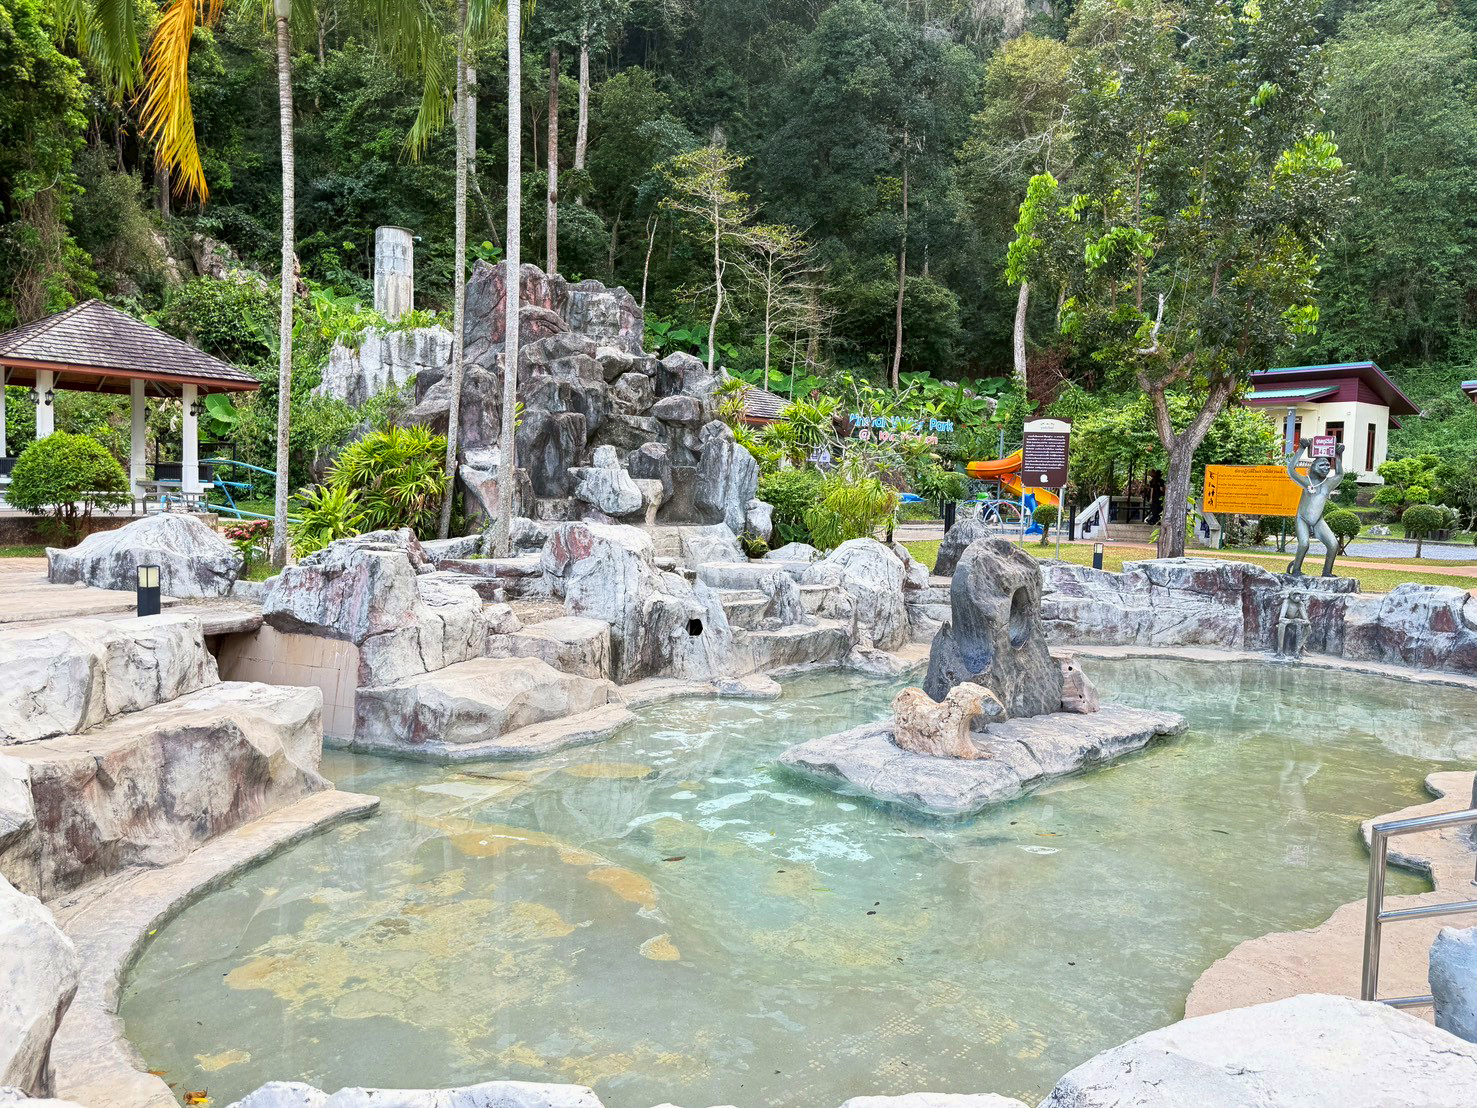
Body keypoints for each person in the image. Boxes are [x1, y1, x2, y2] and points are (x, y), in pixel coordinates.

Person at [1285, 440, 1345, 577]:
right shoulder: (1306, 481)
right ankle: (1296, 570)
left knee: (1333, 545)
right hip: (1302, 518)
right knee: (1304, 544)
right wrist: (1301, 449)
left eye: (1327, 465)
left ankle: (1327, 572)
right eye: (1322, 465)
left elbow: (1340, 475)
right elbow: (1291, 470)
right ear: (1313, 467)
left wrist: (1338, 456)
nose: (1326, 468)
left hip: (1318, 520)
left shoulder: (1328, 483)